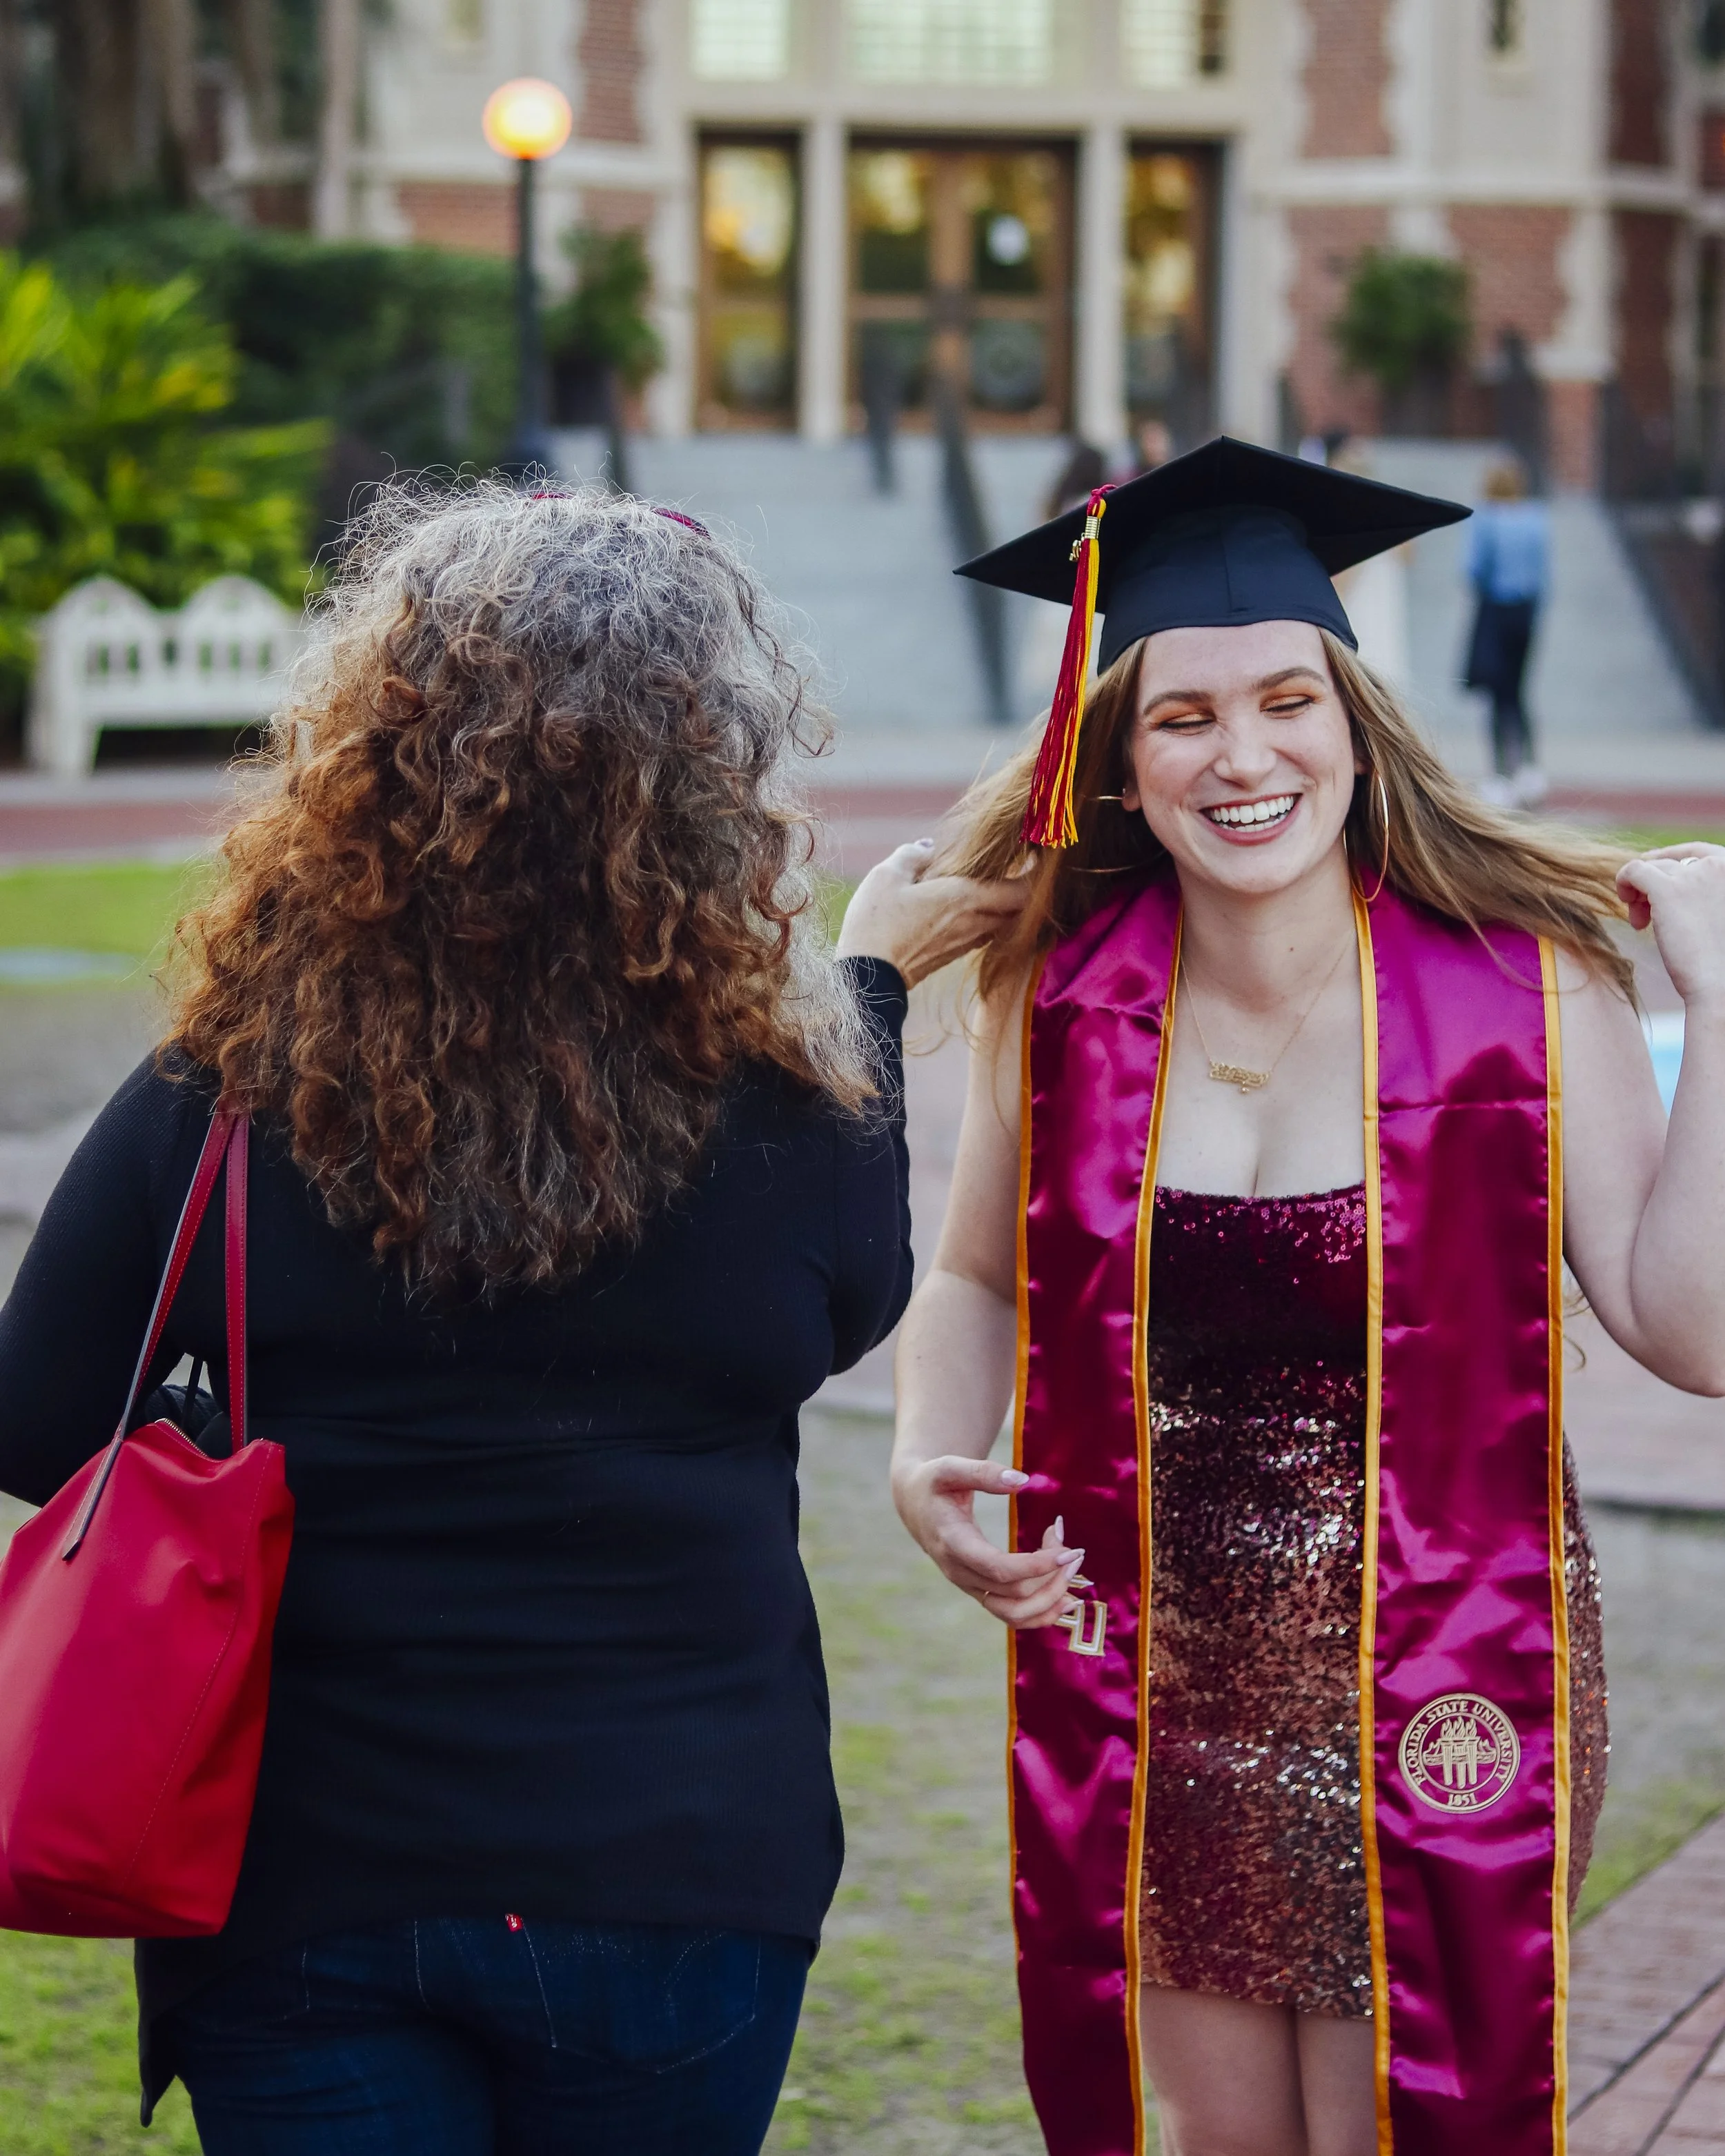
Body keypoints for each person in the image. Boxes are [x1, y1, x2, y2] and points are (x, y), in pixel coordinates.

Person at [0, 483, 1015, 2156]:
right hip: (681, 1868)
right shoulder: (775, 1100)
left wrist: (259, 1418)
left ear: (372, 762)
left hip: (303, 1876)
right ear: (707, 784)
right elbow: (850, 1301)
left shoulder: (235, 1090)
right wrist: (873, 985)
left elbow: (36, 1416)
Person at [887, 437, 1725, 2156]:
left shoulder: (1521, 989)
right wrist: (921, 1456)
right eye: (1183, 717)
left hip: (1448, 1685)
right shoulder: (1059, 1002)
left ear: (1356, 724)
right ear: (1115, 764)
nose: (1245, 753)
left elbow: (1691, 1334)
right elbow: (975, 1273)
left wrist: (1722, 1018)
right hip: (1157, 1698)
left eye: (1288, 700)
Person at [1463, 454, 1551, 808]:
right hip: (1526, 613)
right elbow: (1544, 574)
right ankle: (1530, 768)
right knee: (1519, 691)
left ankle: (1500, 773)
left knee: (1497, 695)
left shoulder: (1486, 520)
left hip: (1496, 610)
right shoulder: (1537, 519)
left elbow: (1471, 569)